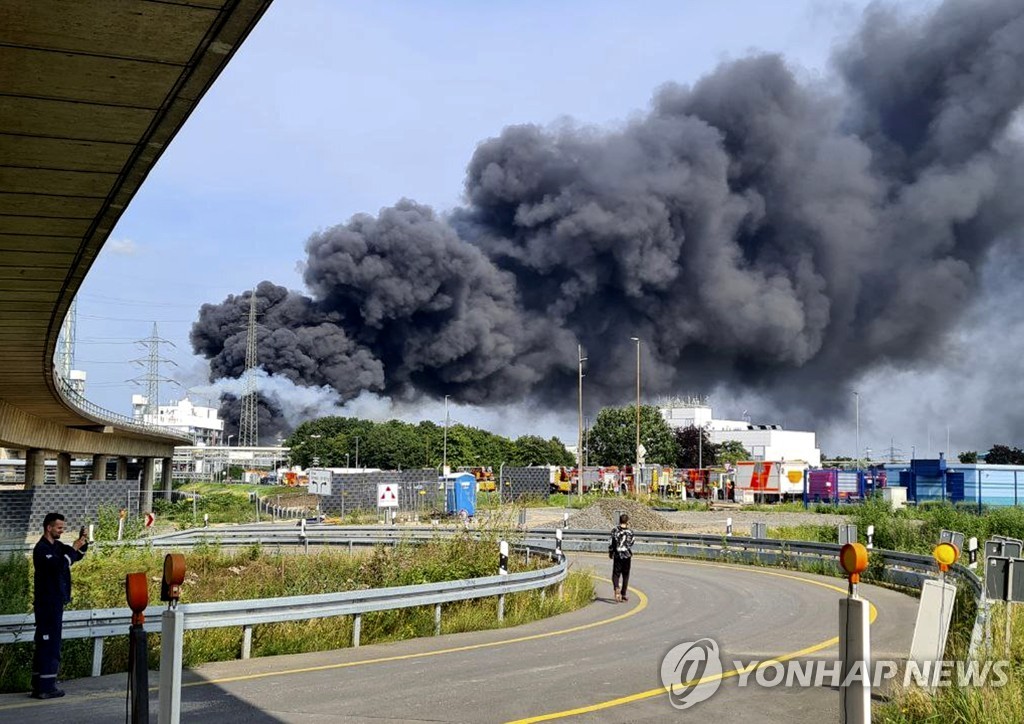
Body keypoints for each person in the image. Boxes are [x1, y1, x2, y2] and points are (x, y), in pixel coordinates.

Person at [31, 512, 88, 699]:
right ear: (49, 527)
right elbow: (58, 565)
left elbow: (75, 557)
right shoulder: (42, 549)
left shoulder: (57, 546)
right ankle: (46, 687)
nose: (62, 531)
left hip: (55, 601)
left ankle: (40, 684)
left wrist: (82, 544)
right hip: (47, 603)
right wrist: (73, 549)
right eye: (59, 528)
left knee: (47, 643)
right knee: (49, 644)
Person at [610, 513, 634, 603]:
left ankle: (616, 588)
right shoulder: (630, 532)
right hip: (627, 556)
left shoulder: (615, 531)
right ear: (627, 521)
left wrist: (611, 552)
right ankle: (623, 594)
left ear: (619, 520)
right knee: (626, 575)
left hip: (617, 555)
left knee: (616, 574)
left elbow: (611, 543)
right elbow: (631, 543)